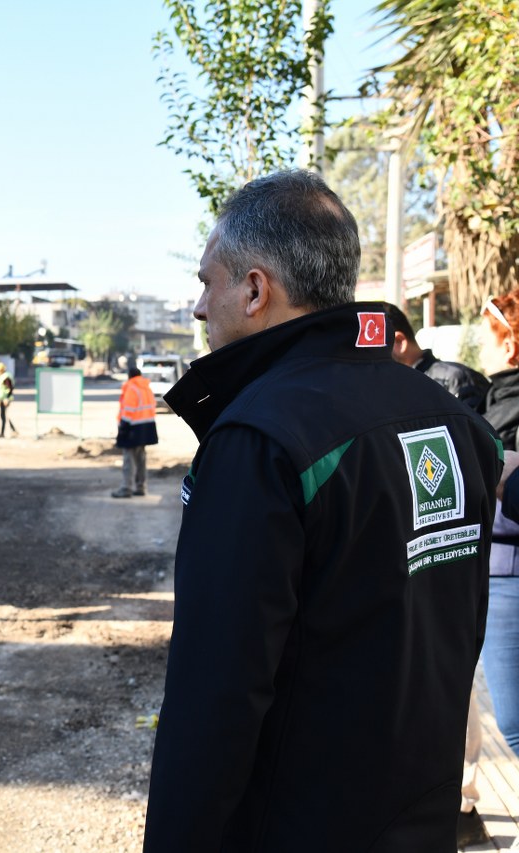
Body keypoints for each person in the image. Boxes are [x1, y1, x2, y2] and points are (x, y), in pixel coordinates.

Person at [143, 170, 501, 853]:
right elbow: (457, 630)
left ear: (255, 290)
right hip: (418, 821)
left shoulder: (262, 441)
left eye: (206, 281)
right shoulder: (455, 423)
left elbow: (217, 694)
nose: (196, 306)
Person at [386, 300, 492, 846]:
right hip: (421, 554)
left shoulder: (450, 383)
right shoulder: (392, 391)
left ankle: (465, 802)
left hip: (451, 550)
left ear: (399, 339)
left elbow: (484, 460)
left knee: (460, 691)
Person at [478, 292, 519, 774]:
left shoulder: (508, 405)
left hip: (508, 575)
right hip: (497, 568)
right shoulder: (495, 397)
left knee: (510, 722)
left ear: (509, 345)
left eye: (486, 337)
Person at [386, 301, 490, 413]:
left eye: (374, 349)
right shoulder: (393, 387)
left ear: (399, 342)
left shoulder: (456, 379)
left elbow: (471, 428)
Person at [111, 366, 158, 498]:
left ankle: (126, 488)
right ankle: (141, 487)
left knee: (128, 460)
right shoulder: (146, 388)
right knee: (141, 459)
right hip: (145, 428)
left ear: (130, 376)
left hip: (132, 428)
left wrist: (123, 428)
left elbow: (128, 411)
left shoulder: (132, 388)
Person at [0, 362, 19, 438]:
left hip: (5, 400)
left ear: (1, 370)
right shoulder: (3, 376)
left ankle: (4, 432)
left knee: (4, 416)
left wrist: (7, 398)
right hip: (2, 399)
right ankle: (11, 430)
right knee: (4, 416)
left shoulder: (6, 377)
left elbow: (10, 388)